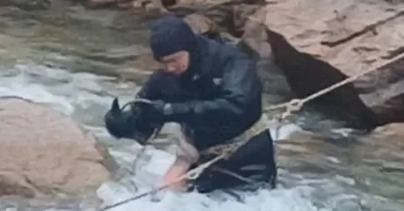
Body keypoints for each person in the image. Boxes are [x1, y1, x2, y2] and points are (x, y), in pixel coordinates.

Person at [104, 15, 278, 195]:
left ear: (189, 47)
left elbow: (237, 107)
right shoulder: (164, 80)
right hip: (203, 163)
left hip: (250, 162)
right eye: (164, 62)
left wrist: (171, 110)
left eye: (174, 60)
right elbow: (144, 119)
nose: (170, 68)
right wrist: (120, 125)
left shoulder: (232, 62)